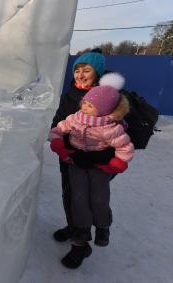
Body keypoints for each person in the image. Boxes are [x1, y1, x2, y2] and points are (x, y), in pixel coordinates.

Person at [49, 73, 134, 268]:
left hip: (100, 167)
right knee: (77, 198)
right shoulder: (75, 118)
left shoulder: (112, 127)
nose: (84, 107)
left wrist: (114, 164)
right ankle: (82, 233)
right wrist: (61, 148)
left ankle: (103, 226)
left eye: (90, 105)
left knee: (99, 198)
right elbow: (57, 130)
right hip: (76, 163)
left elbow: (125, 148)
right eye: (84, 103)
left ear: (103, 109)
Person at [50, 50, 117, 243]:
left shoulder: (110, 97)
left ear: (97, 73)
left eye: (86, 70)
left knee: (89, 199)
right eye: (77, 70)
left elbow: (119, 131)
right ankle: (73, 228)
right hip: (70, 159)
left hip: (99, 162)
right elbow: (58, 124)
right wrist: (64, 150)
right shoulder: (69, 96)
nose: (80, 74)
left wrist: (102, 157)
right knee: (70, 196)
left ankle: (82, 245)